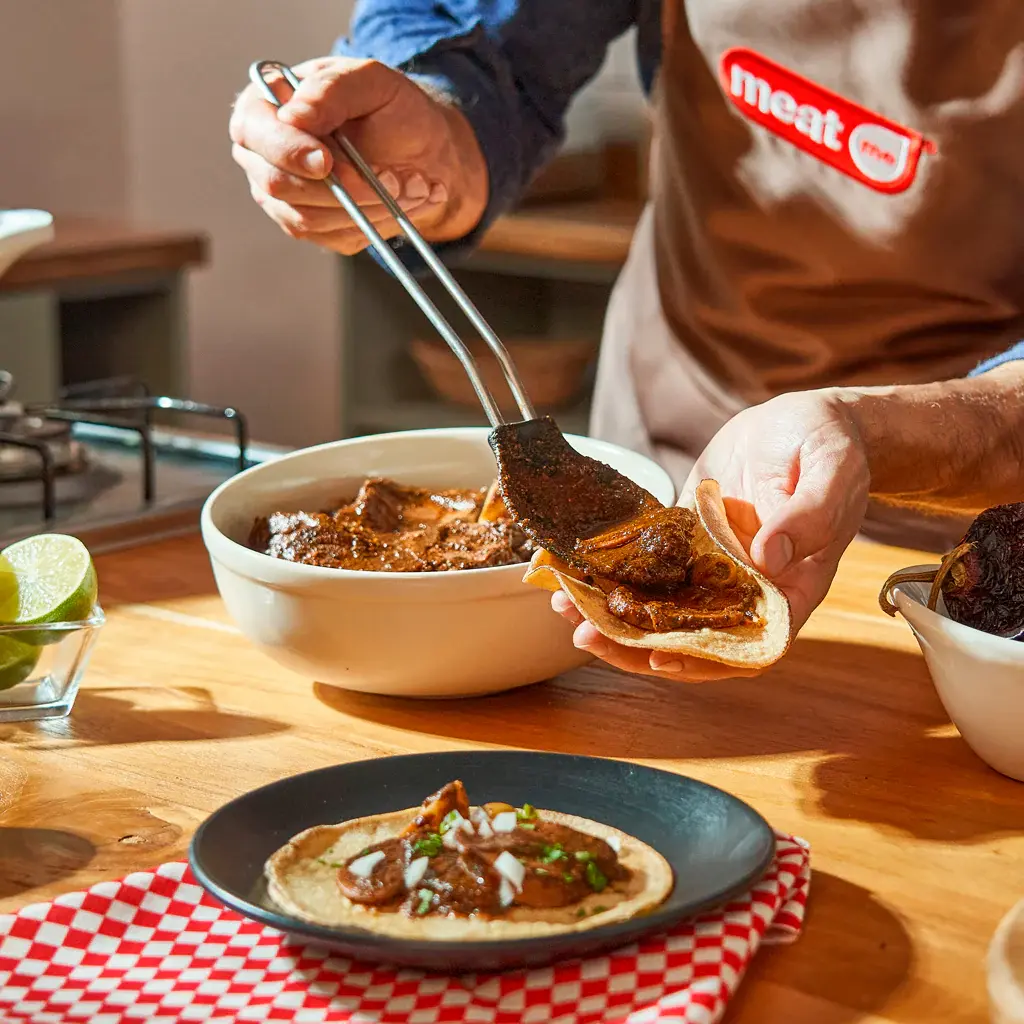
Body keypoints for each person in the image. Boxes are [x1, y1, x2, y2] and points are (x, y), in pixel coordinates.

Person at [228, 3, 1024, 681]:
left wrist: (876, 433)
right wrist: (435, 147)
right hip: (674, 444)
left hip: (981, 566)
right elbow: (484, 32)